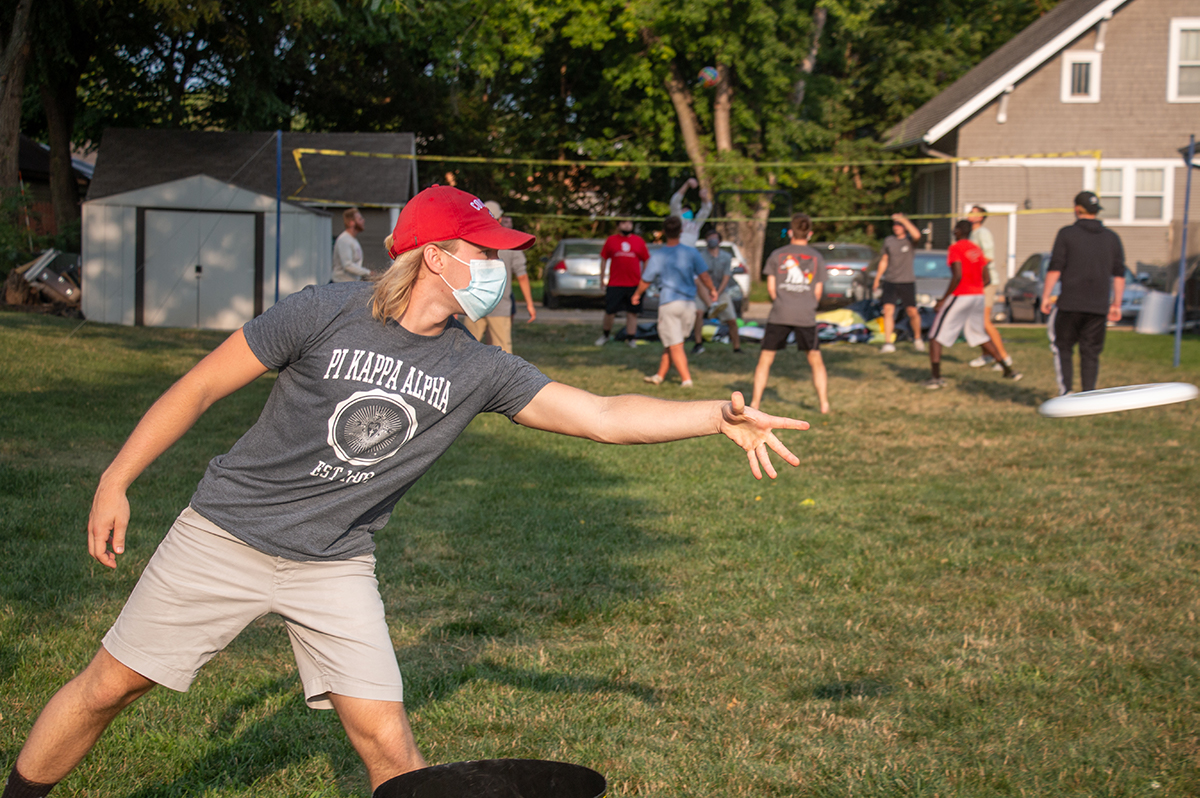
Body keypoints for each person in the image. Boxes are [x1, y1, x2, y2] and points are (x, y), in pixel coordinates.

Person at [2, 186, 809, 798]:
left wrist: (712, 415)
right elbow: (197, 388)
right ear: (437, 256)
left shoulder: (480, 365)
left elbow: (600, 415)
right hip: (226, 534)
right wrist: (116, 479)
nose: (497, 268)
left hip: (333, 563)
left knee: (387, 742)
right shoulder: (324, 312)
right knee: (109, 687)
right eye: (484, 253)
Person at [1040, 191, 1125, 395]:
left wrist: (1046, 296)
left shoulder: (1067, 234)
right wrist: (1116, 304)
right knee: (1091, 352)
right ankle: (1088, 394)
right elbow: (1119, 274)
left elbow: (1055, 268)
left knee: (1063, 347)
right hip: (1098, 306)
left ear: (1077, 209)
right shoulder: (1112, 238)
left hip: (1070, 303)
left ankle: (1067, 391)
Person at [925, 220, 1022, 389]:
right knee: (979, 335)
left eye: (955, 229)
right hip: (978, 296)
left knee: (935, 336)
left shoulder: (955, 248)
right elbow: (987, 279)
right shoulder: (976, 249)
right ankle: (1008, 370)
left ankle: (936, 378)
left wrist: (943, 299)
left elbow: (957, 275)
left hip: (961, 295)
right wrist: (975, 289)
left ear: (958, 231)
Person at [750, 213, 830, 414]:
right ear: (810, 233)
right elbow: (818, 291)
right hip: (806, 315)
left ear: (791, 232)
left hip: (780, 314)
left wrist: (782, 302)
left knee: (766, 359)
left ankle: (755, 403)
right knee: (815, 359)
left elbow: (771, 288)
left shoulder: (777, 255)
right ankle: (824, 404)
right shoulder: (817, 257)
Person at [632, 216, 717, 387]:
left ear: (663, 232)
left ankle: (686, 380)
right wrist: (712, 290)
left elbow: (646, 280)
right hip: (688, 305)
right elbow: (704, 275)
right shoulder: (692, 252)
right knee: (673, 342)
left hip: (669, 304)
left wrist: (636, 295)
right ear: (681, 231)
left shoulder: (659, 255)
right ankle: (660, 375)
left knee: (675, 344)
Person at [462, 201, 536, 354]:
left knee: (465, 351)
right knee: (503, 354)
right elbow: (521, 275)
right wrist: (529, 303)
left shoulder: (471, 240)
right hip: (500, 305)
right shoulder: (509, 241)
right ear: (500, 219)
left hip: (474, 303)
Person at [966, 206, 1014, 371]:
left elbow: (988, 257)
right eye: (970, 211)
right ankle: (987, 355)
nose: (970, 214)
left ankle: (1004, 357)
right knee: (977, 321)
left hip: (987, 281)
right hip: (976, 282)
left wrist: (970, 264)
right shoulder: (972, 234)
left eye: (974, 212)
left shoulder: (983, 233)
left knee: (985, 321)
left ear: (981, 217)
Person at [872, 212, 926, 354]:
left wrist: (903, 219)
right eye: (894, 224)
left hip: (907, 282)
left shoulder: (910, 240)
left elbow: (917, 235)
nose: (896, 227)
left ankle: (918, 338)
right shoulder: (889, 240)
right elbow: (884, 260)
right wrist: (877, 278)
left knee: (912, 311)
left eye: (899, 225)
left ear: (904, 227)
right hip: (890, 281)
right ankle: (888, 342)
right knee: (888, 311)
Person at [595, 218, 650, 348]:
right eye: (624, 223)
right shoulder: (611, 240)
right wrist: (602, 278)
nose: (627, 225)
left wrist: (644, 278)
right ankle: (606, 335)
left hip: (634, 284)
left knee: (632, 312)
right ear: (619, 225)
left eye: (630, 223)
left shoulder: (638, 241)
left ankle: (631, 338)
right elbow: (603, 259)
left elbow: (646, 259)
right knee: (610, 311)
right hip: (615, 283)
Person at [691, 230, 742, 354]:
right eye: (709, 237)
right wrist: (710, 291)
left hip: (721, 291)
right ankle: (698, 344)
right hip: (703, 291)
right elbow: (700, 277)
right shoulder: (700, 256)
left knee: (732, 320)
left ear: (719, 241)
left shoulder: (726, 257)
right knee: (698, 313)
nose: (712, 240)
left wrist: (717, 293)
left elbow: (726, 277)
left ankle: (737, 347)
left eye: (714, 238)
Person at [668, 178, 713, 248]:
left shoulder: (696, 225)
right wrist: (687, 184)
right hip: (677, 252)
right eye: (684, 209)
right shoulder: (677, 221)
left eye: (689, 210)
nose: (687, 211)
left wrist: (704, 198)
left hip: (689, 253)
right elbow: (675, 202)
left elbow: (706, 210)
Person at [332, 207, 371, 282]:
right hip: (341, 285)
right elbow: (347, 265)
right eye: (360, 219)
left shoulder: (352, 239)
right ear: (351, 222)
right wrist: (368, 273)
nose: (363, 221)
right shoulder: (344, 240)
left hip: (350, 284)